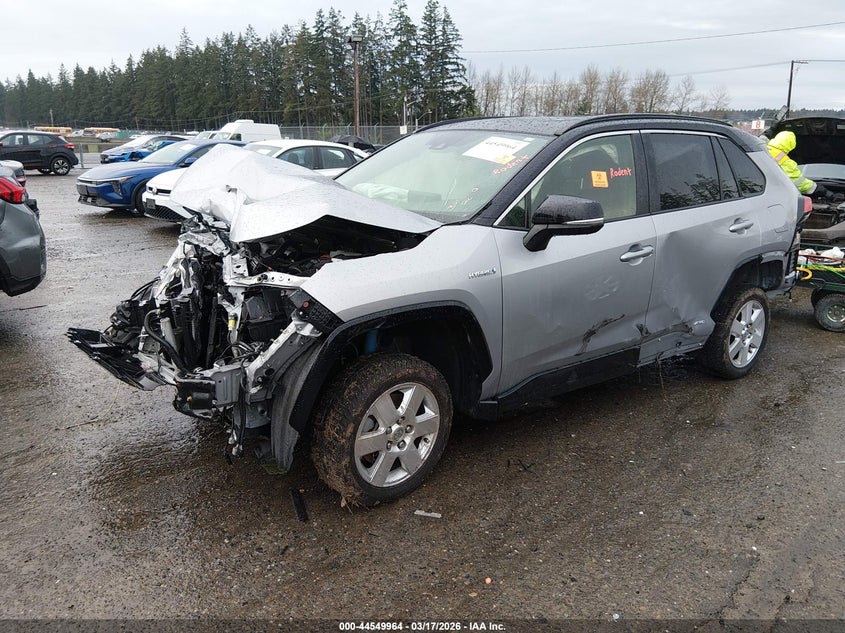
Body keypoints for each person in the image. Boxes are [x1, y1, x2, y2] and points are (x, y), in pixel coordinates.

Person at [767, 130, 833, 200]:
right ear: (791, 144)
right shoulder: (785, 161)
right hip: (774, 195)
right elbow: (800, 183)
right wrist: (823, 191)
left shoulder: (763, 148)